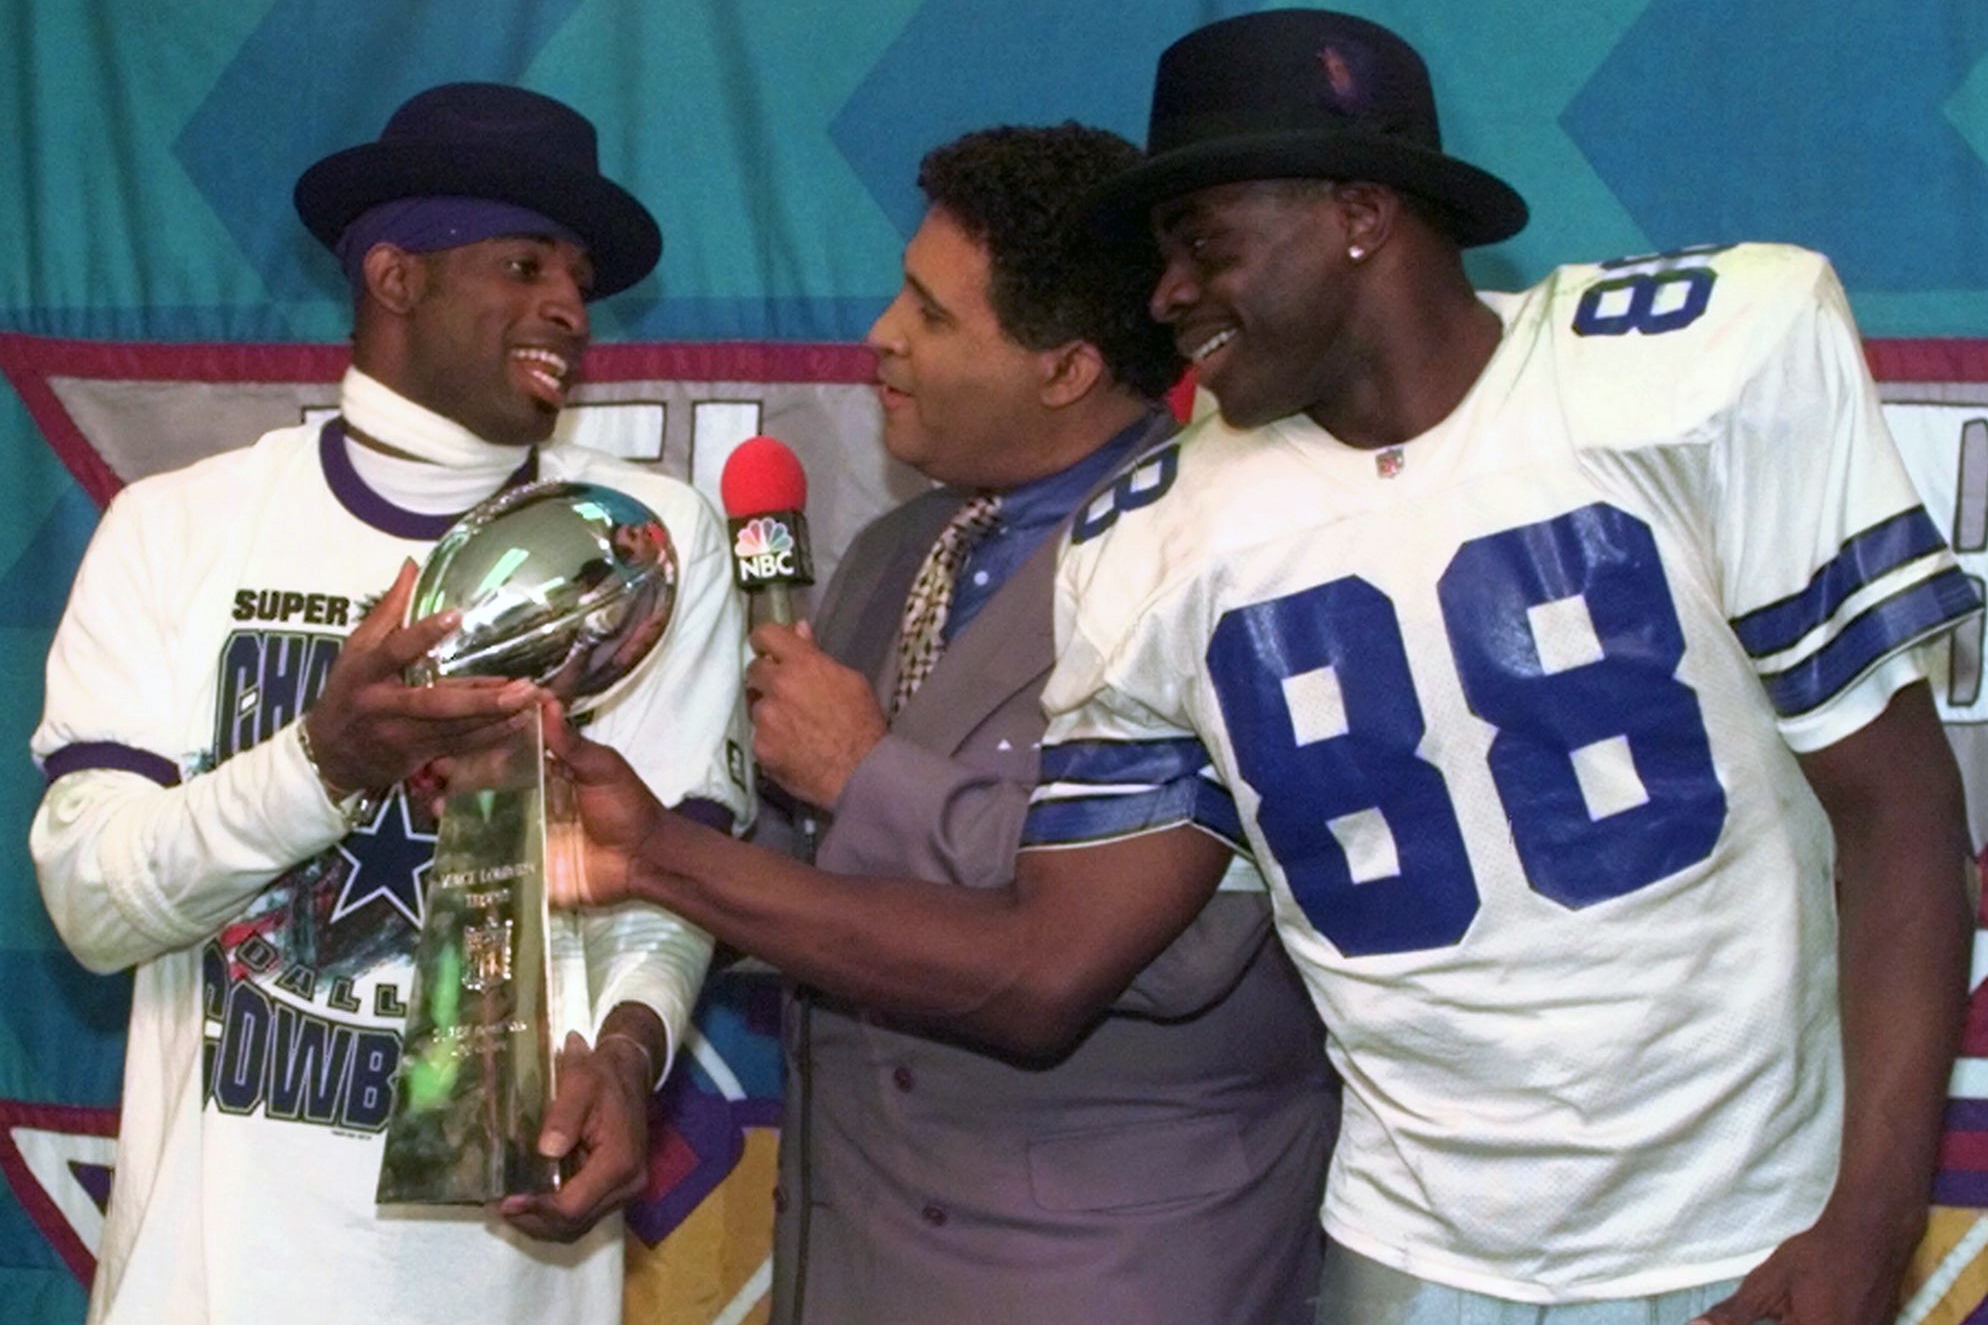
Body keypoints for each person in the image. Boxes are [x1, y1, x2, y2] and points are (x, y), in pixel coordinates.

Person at [540, 10, 1977, 1322]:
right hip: (1411, 1256)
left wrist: (1865, 1223)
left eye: (1204, 241)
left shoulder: (1700, 366)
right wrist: (666, 854)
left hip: (1743, 1231)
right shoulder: (1162, 537)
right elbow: (1047, 967)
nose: (1164, 294)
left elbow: (1900, 818)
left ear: (1361, 213)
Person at [30, 83, 750, 1325]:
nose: (569, 308)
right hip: (212, 1280)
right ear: (394, 277)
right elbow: (93, 902)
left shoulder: (642, 541)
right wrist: (324, 757)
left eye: (579, 276)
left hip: (506, 1271)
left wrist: (631, 1055)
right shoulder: (181, 528)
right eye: (524, 264)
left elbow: (667, 883)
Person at [744, 123, 1336, 1324]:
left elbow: (1175, 950)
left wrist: (866, 775)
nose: (880, 338)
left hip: (1106, 1269)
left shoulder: (1230, 556)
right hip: (854, 1256)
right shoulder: (888, 551)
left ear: (1065, 368)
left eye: (931, 313)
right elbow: (795, 886)